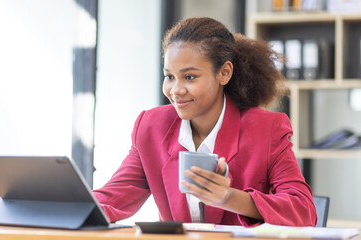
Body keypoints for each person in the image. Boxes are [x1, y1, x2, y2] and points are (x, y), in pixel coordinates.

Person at [93, 17, 317, 227]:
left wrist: (230, 198)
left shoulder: (266, 130)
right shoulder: (150, 126)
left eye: (189, 77)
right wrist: (64, 203)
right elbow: (114, 196)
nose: (176, 90)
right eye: (169, 76)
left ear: (224, 73)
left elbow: (304, 211)